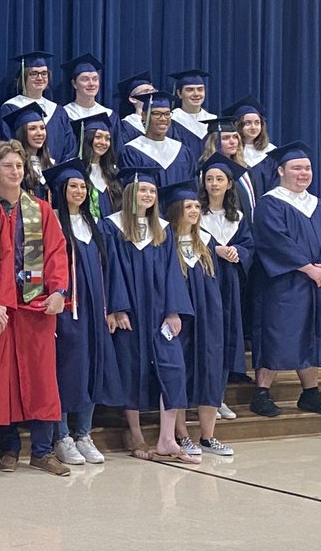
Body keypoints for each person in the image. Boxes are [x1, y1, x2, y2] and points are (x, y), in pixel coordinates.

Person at [0, 141, 70, 476]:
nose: (15, 172)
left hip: (35, 307)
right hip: (1, 309)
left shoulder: (40, 209)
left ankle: (43, 450)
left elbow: (57, 252)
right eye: (8, 166)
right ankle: (9, 448)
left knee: (42, 378)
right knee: (5, 380)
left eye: (19, 166)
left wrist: (60, 290)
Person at [98, 168, 197, 464]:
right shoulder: (111, 227)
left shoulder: (162, 229)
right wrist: (117, 307)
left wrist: (173, 310)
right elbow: (109, 270)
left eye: (152, 192)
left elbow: (171, 273)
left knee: (173, 368)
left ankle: (167, 438)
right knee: (131, 367)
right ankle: (136, 433)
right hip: (130, 311)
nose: (148, 195)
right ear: (130, 194)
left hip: (159, 312)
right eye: (143, 191)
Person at [250, 143, 321, 418]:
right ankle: (262, 392)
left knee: (314, 333)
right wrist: (308, 268)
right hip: (285, 283)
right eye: (296, 168)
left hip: (320, 282)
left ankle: (310, 392)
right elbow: (275, 241)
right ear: (281, 171)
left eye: (307, 168)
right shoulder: (270, 203)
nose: (303, 173)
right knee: (278, 332)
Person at [43, 159, 115, 466]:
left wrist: (110, 309)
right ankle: (61, 436)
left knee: (91, 370)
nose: (79, 191)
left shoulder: (92, 225)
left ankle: (84, 433)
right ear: (61, 189)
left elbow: (108, 271)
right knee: (65, 371)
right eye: (73, 185)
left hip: (93, 313)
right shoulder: (53, 222)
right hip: (67, 312)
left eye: (83, 186)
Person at [161, 180, 232, 457]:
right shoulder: (166, 241)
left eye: (197, 206)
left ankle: (208, 436)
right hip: (182, 316)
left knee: (211, 370)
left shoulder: (206, 240)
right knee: (181, 373)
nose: (194, 211)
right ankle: (182, 435)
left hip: (209, 315)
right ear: (176, 209)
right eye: (188, 206)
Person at [199, 153, 256, 408]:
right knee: (206, 337)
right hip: (203, 280)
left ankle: (218, 397)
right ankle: (204, 396)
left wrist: (238, 252)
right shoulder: (195, 213)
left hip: (229, 283)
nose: (214, 183)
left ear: (229, 184)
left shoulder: (238, 217)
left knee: (225, 337)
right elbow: (184, 243)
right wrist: (214, 249)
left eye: (219, 179)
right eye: (209, 179)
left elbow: (248, 245)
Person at [0, 51, 71, 157]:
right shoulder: (11, 107)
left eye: (44, 73)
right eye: (34, 73)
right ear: (24, 77)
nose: (40, 78)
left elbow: (69, 146)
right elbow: (8, 141)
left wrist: (59, 171)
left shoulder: (58, 111)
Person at [120, 91, 196, 184]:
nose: (163, 119)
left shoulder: (182, 151)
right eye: (156, 113)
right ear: (144, 116)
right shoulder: (131, 151)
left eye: (167, 114)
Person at [59, 54, 122, 161]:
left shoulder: (109, 115)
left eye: (95, 79)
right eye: (85, 79)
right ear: (74, 84)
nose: (91, 84)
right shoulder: (64, 114)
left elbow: (117, 151)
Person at [199, 118, 258, 217]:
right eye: (226, 138)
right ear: (214, 142)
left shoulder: (245, 170)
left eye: (235, 137)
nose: (233, 142)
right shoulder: (205, 171)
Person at [224, 96, 279, 195]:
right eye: (248, 123)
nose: (253, 127)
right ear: (238, 125)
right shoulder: (230, 151)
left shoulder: (271, 152)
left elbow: (275, 184)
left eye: (257, 123)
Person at [3, 103, 54, 199]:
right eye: (32, 128)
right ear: (21, 133)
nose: (39, 133)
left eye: (42, 128)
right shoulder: (17, 168)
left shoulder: (50, 164)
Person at [76, 114, 122, 218]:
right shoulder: (77, 171)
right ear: (87, 138)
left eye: (107, 138)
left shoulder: (113, 172)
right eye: (98, 137)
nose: (103, 142)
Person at [168, 69, 214, 160]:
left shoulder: (213, 121)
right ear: (179, 93)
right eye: (190, 90)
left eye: (200, 89)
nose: (196, 94)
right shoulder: (172, 120)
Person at [115, 71, 156, 146]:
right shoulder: (126, 126)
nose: (151, 94)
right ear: (132, 99)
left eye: (153, 90)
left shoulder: (165, 122)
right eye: (145, 91)